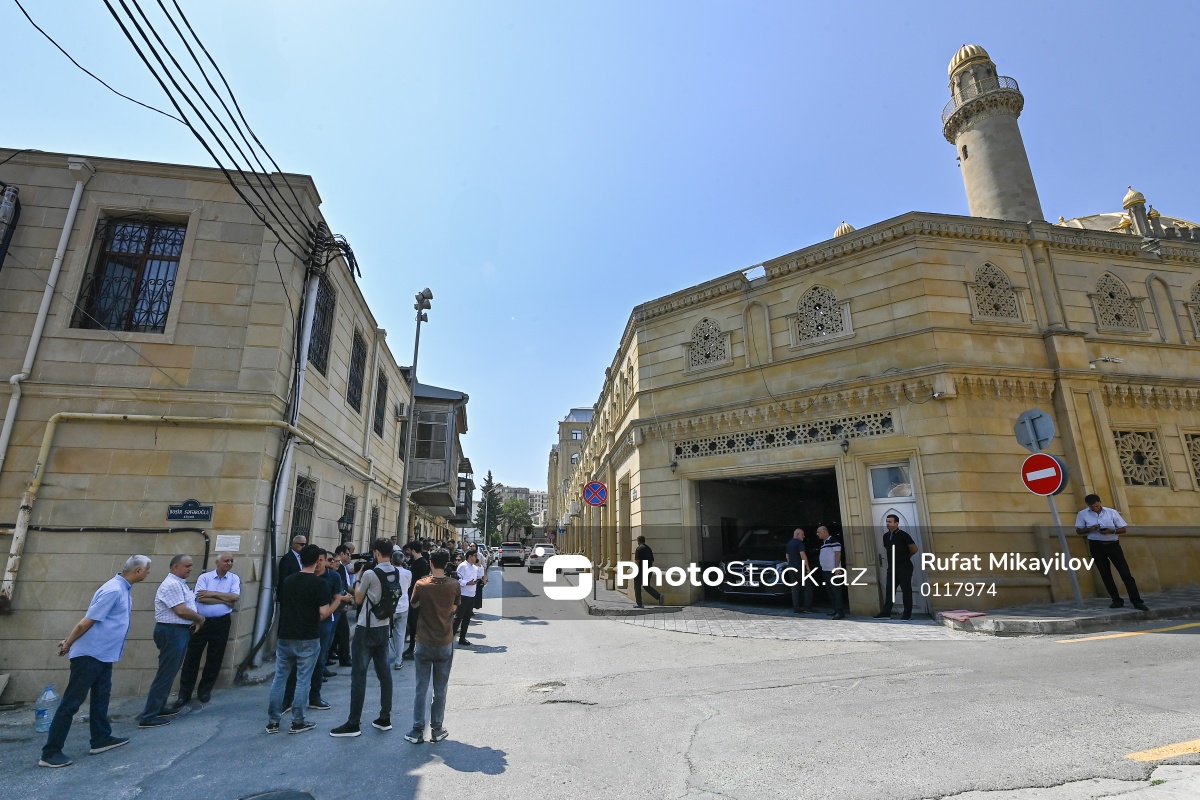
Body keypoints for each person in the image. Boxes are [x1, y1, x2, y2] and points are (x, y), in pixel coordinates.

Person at [38, 555, 152, 768]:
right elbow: (86, 622)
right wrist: (68, 643)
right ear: (138, 570)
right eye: (147, 570)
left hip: (103, 655)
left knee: (101, 697)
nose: (148, 574)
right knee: (71, 703)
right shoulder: (114, 590)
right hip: (90, 655)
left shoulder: (123, 589)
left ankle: (101, 738)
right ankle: (50, 753)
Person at [266, 544, 341, 735]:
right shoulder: (319, 584)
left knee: (279, 679)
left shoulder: (288, 581)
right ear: (317, 561)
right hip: (308, 636)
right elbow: (323, 613)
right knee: (303, 680)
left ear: (300, 559)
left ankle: (273, 721)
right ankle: (297, 721)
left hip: (285, 635)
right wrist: (337, 601)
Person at [331, 539, 400, 737]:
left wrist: (359, 578)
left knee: (359, 676)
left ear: (376, 552)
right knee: (384, 674)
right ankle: (385, 717)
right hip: (384, 626)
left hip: (366, 627)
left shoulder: (370, 573)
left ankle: (353, 723)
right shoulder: (396, 572)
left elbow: (358, 599)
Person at [138, 554, 205, 728]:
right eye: (187, 566)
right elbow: (181, 610)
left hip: (178, 631)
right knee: (166, 673)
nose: (190, 569)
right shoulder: (172, 584)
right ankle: (149, 715)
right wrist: (199, 618)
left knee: (169, 671)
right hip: (172, 632)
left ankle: (159, 707)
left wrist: (194, 620)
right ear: (175, 567)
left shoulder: (180, 583)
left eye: (191, 565)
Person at [405, 549, 461, 744]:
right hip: (444, 640)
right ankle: (436, 729)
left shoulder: (421, 584)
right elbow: (454, 607)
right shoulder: (454, 585)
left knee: (421, 688)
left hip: (423, 640)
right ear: (446, 564)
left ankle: (417, 730)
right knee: (440, 688)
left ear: (430, 563)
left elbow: (414, 605)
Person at [282, 551, 345, 713]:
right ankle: (288, 699)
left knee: (319, 660)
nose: (319, 563)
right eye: (318, 560)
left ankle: (314, 697)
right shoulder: (302, 578)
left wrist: (331, 609)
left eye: (323, 560)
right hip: (304, 625)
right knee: (296, 664)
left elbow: (336, 597)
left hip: (324, 625)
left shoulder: (333, 577)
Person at [175, 551, 240, 707]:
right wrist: (225, 599)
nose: (229, 563)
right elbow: (200, 598)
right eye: (226, 560)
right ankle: (184, 693)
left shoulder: (234, 578)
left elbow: (235, 597)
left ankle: (205, 690)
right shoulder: (205, 578)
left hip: (222, 622)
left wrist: (212, 593)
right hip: (202, 621)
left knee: (215, 656)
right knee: (192, 656)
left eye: (231, 561)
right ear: (217, 562)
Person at [1075, 494, 1148, 611]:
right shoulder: (1082, 514)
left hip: (1112, 545)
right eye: (1092, 507)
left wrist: (1111, 531)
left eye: (1096, 506)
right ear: (1088, 506)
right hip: (1096, 546)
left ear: (1100, 502)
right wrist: (1090, 529)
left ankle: (1136, 601)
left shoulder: (1111, 512)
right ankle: (1116, 600)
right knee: (1105, 574)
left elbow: (1123, 529)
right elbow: (1079, 531)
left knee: (1125, 573)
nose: (1095, 509)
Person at [874, 515, 918, 620]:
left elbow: (914, 549)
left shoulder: (903, 535)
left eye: (890, 522)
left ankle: (907, 614)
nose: (887, 523)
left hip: (904, 566)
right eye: (887, 521)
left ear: (896, 523)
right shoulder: (885, 536)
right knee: (890, 590)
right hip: (892, 567)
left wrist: (906, 557)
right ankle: (886, 613)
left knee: (906, 590)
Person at [401, 541, 430, 660]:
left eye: (409, 550)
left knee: (416, 624)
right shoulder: (415, 562)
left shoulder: (423, 563)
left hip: (417, 598)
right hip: (411, 596)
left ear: (413, 550)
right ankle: (412, 647)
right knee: (412, 624)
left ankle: (416, 649)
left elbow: (425, 582)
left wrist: (420, 600)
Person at [328, 545, 356, 667]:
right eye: (348, 554)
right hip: (336, 606)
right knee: (342, 631)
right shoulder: (336, 571)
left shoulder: (342, 568)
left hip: (339, 604)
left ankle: (331, 653)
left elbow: (345, 586)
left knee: (336, 632)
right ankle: (344, 657)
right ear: (342, 554)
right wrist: (343, 601)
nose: (350, 556)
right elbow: (339, 589)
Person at [454, 549, 485, 645]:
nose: (476, 557)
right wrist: (467, 583)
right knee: (458, 617)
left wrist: (480, 565)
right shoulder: (463, 566)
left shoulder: (475, 567)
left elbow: (481, 575)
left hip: (472, 595)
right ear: (470, 556)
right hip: (463, 595)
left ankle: (462, 638)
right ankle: (450, 637)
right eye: (475, 556)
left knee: (467, 618)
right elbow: (457, 579)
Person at [390, 547, 413, 670]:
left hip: (389, 607)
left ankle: (382, 659)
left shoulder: (387, 572)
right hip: (403, 606)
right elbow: (408, 586)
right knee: (400, 633)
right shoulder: (408, 573)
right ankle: (398, 660)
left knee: (385, 633)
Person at [817, 526, 845, 620]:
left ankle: (840, 612)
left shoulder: (833, 540)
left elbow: (838, 553)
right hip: (826, 570)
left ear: (824, 532)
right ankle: (835, 609)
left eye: (819, 532)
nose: (817, 534)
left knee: (836, 591)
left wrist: (837, 568)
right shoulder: (824, 543)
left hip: (833, 570)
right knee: (830, 591)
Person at [786, 528, 815, 614]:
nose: (804, 536)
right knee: (808, 586)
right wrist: (807, 567)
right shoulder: (799, 543)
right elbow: (803, 555)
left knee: (795, 588)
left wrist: (790, 563)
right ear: (797, 534)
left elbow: (787, 556)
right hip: (800, 567)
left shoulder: (789, 543)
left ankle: (796, 608)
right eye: (802, 534)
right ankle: (807, 607)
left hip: (791, 567)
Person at [633, 535, 664, 608]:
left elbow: (637, 561)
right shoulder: (648, 548)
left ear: (638, 541)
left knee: (637, 586)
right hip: (649, 569)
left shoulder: (639, 549)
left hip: (641, 570)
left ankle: (639, 604)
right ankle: (658, 596)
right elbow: (652, 560)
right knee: (646, 585)